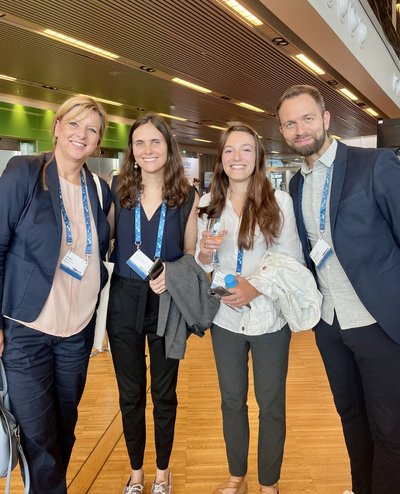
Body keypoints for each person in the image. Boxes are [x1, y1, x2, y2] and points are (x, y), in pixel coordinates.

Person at [277, 84, 400, 494]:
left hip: (378, 322)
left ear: (326, 120)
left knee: (390, 431)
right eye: (290, 123)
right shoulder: (296, 185)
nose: (300, 129)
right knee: (351, 418)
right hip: (329, 325)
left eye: (307, 118)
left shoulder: (376, 164)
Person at [0, 95, 111, 493]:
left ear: (99, 142)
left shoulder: (99, 190)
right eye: (75, 124)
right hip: (26, 329)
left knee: (65, 428)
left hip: (76, 333)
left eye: (92, 129)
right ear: (57, 127)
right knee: (37, 434)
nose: (82, 135)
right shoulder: (24, 172)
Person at [196, 123, 303, 494]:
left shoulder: (280, 202)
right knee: (231, 400)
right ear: (221, 157)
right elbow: (202, 263)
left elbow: (290, 260)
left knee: (271, 402)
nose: (236, 158)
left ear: (257, 156)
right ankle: (237, 476)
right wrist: (205, 253)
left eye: (245, 150)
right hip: (225, 318)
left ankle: (268, 482)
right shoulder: (208, 205)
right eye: (229, 150)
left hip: (269, 317)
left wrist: (253, 287)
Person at [106, 113, 199, 494]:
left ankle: (162, 474)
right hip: (124, 298)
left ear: (169, 147)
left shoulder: (186, 195)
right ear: (132, 150)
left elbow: (190, 252)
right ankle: (136, 474)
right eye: (140, 143)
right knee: (130, 394)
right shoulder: (118, 190)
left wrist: (173, 274)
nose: (147, 150)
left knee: (164, 393)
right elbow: (104, 240)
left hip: (167, 301)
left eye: (155, 142)